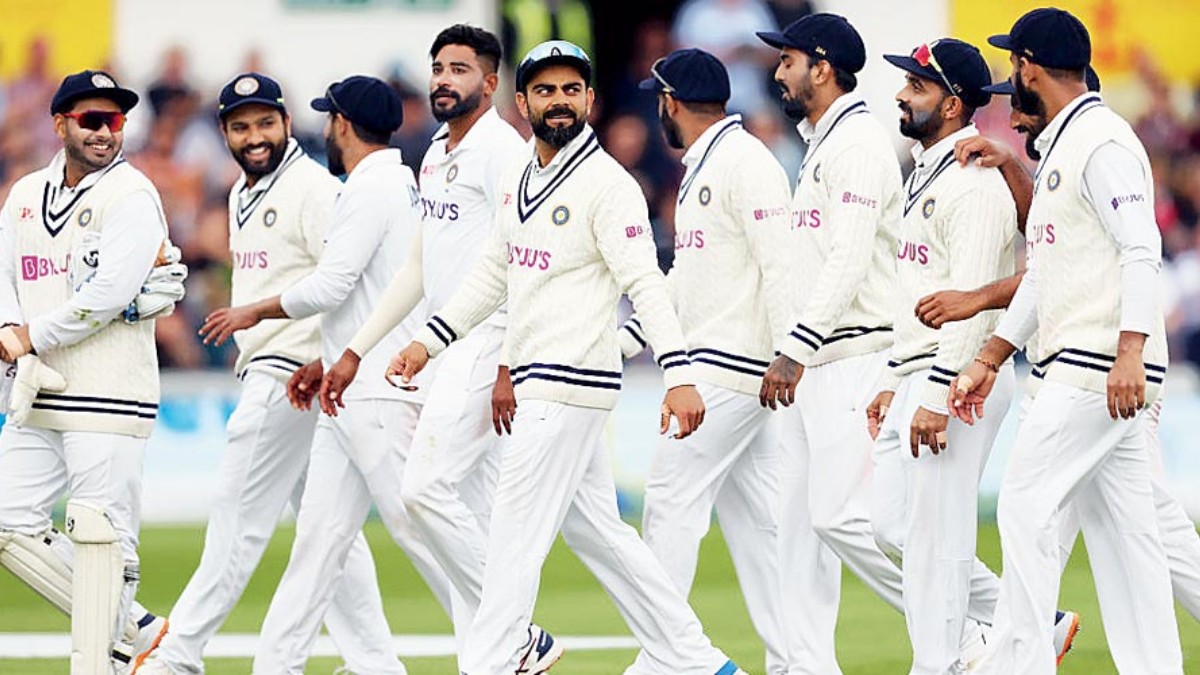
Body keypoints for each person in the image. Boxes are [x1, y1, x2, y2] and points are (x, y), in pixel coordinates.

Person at [388, 40, 748, 675]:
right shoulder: (521, 176)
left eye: (571, 90)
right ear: (522, 102)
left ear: (591, 100)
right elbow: (493, 273)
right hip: (541, 380)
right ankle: (699, 661)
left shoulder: (608, 184)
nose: (559, 101)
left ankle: (491, 664)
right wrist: (428, 342)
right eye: (546, 90)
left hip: (569, 383)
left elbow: (647, 284)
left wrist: (679, 375)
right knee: (600, 535)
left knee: (511, 546)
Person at [133, 73, 396, 675]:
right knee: (328, 532)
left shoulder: (314, 189)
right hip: (274, 368)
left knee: (238, 516)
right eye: (240, 127)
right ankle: (375, 663)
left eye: (265, 123)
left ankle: (179, 654)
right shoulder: (240, 193)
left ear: (286, 123)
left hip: (294, 374)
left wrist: (331, 356)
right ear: (223, 133)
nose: (255, 137)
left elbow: (350, 279)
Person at [923, 64, 1200, 636]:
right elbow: (1051, 257)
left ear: (1041, 78)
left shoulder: (1098, 144)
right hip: (1081, 366)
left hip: (1098, 368)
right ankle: (1019, 653)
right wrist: (991, 355)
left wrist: (1130, 351)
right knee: (1136, 530)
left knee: (1033, 516)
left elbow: (1135, 250)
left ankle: (1016, 653)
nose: (1011, 112)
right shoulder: (1060, 152)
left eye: (1016, 95)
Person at [316, 25, 560, 671]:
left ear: (490, 82)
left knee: (422, 492)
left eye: (460, 69)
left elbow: (526, 262)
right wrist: (356, 351)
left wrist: (508, 363)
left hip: (491, 344)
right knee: (467, 520)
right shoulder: (433, 154)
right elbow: (418, 269)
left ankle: (518, 631)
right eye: (439, 68)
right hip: (447, 350)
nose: (444, 80)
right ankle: (495, 657)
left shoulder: (504, 153)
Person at [197, 75, 456, 674]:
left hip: (378, 389)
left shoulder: (366, 188)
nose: (325, 131)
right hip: (352, 383)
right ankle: (281, 667)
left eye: (329, 119)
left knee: (414, 523)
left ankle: (511, 638)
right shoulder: (395, 182)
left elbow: (333, 286)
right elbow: (370, 291)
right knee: (319, 542)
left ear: (342, 124)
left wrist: (253, 310)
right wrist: (327, 359)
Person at [618, 47, 796, 675]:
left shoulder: (745, 162)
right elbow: (683, 281)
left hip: (730, 368)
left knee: (670, 504)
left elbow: (781, 261)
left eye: (659, 101)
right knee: (760, 529)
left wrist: (791, 353)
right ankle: (797, 662)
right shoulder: (707, 164)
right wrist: (622, 342)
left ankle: (665, 661)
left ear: (671, 102)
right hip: (733, 367)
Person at [0, 69, 184, 673]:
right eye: (91, 120)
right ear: (60, 124)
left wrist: (32, 334)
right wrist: (9, 327)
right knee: (6, 522)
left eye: (116, 120)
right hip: (36, 391)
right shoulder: (25, 194)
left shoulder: (131, 195)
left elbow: (108, 295)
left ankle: (102, 660)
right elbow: (4, 273)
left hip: (110, 392)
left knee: (104, 540)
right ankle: (138, 630)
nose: (106, 132)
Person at [754, 15, 908, 671]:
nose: (778, 73)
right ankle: (804, 664)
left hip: (854, 355)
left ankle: (981, 620)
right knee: (796, 532)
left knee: (840, 519)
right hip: (814, 363)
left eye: (787, 61)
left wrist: (795, 348)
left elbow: (848, 260)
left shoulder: (859, 145)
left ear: (821, 67)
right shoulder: (823, 143)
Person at [866, 39, 1016, 675]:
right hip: (917, 369)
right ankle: (1019, 622)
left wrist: (935, 393)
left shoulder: (973, 185)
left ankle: (941, 662)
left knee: (937, 536)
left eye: (917, 87)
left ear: (953, 105)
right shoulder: (926, 171)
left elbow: (972, 301)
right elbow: (916, 292)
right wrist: (892, 377)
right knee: (890, 526)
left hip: (959, 377)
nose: (902, 95)